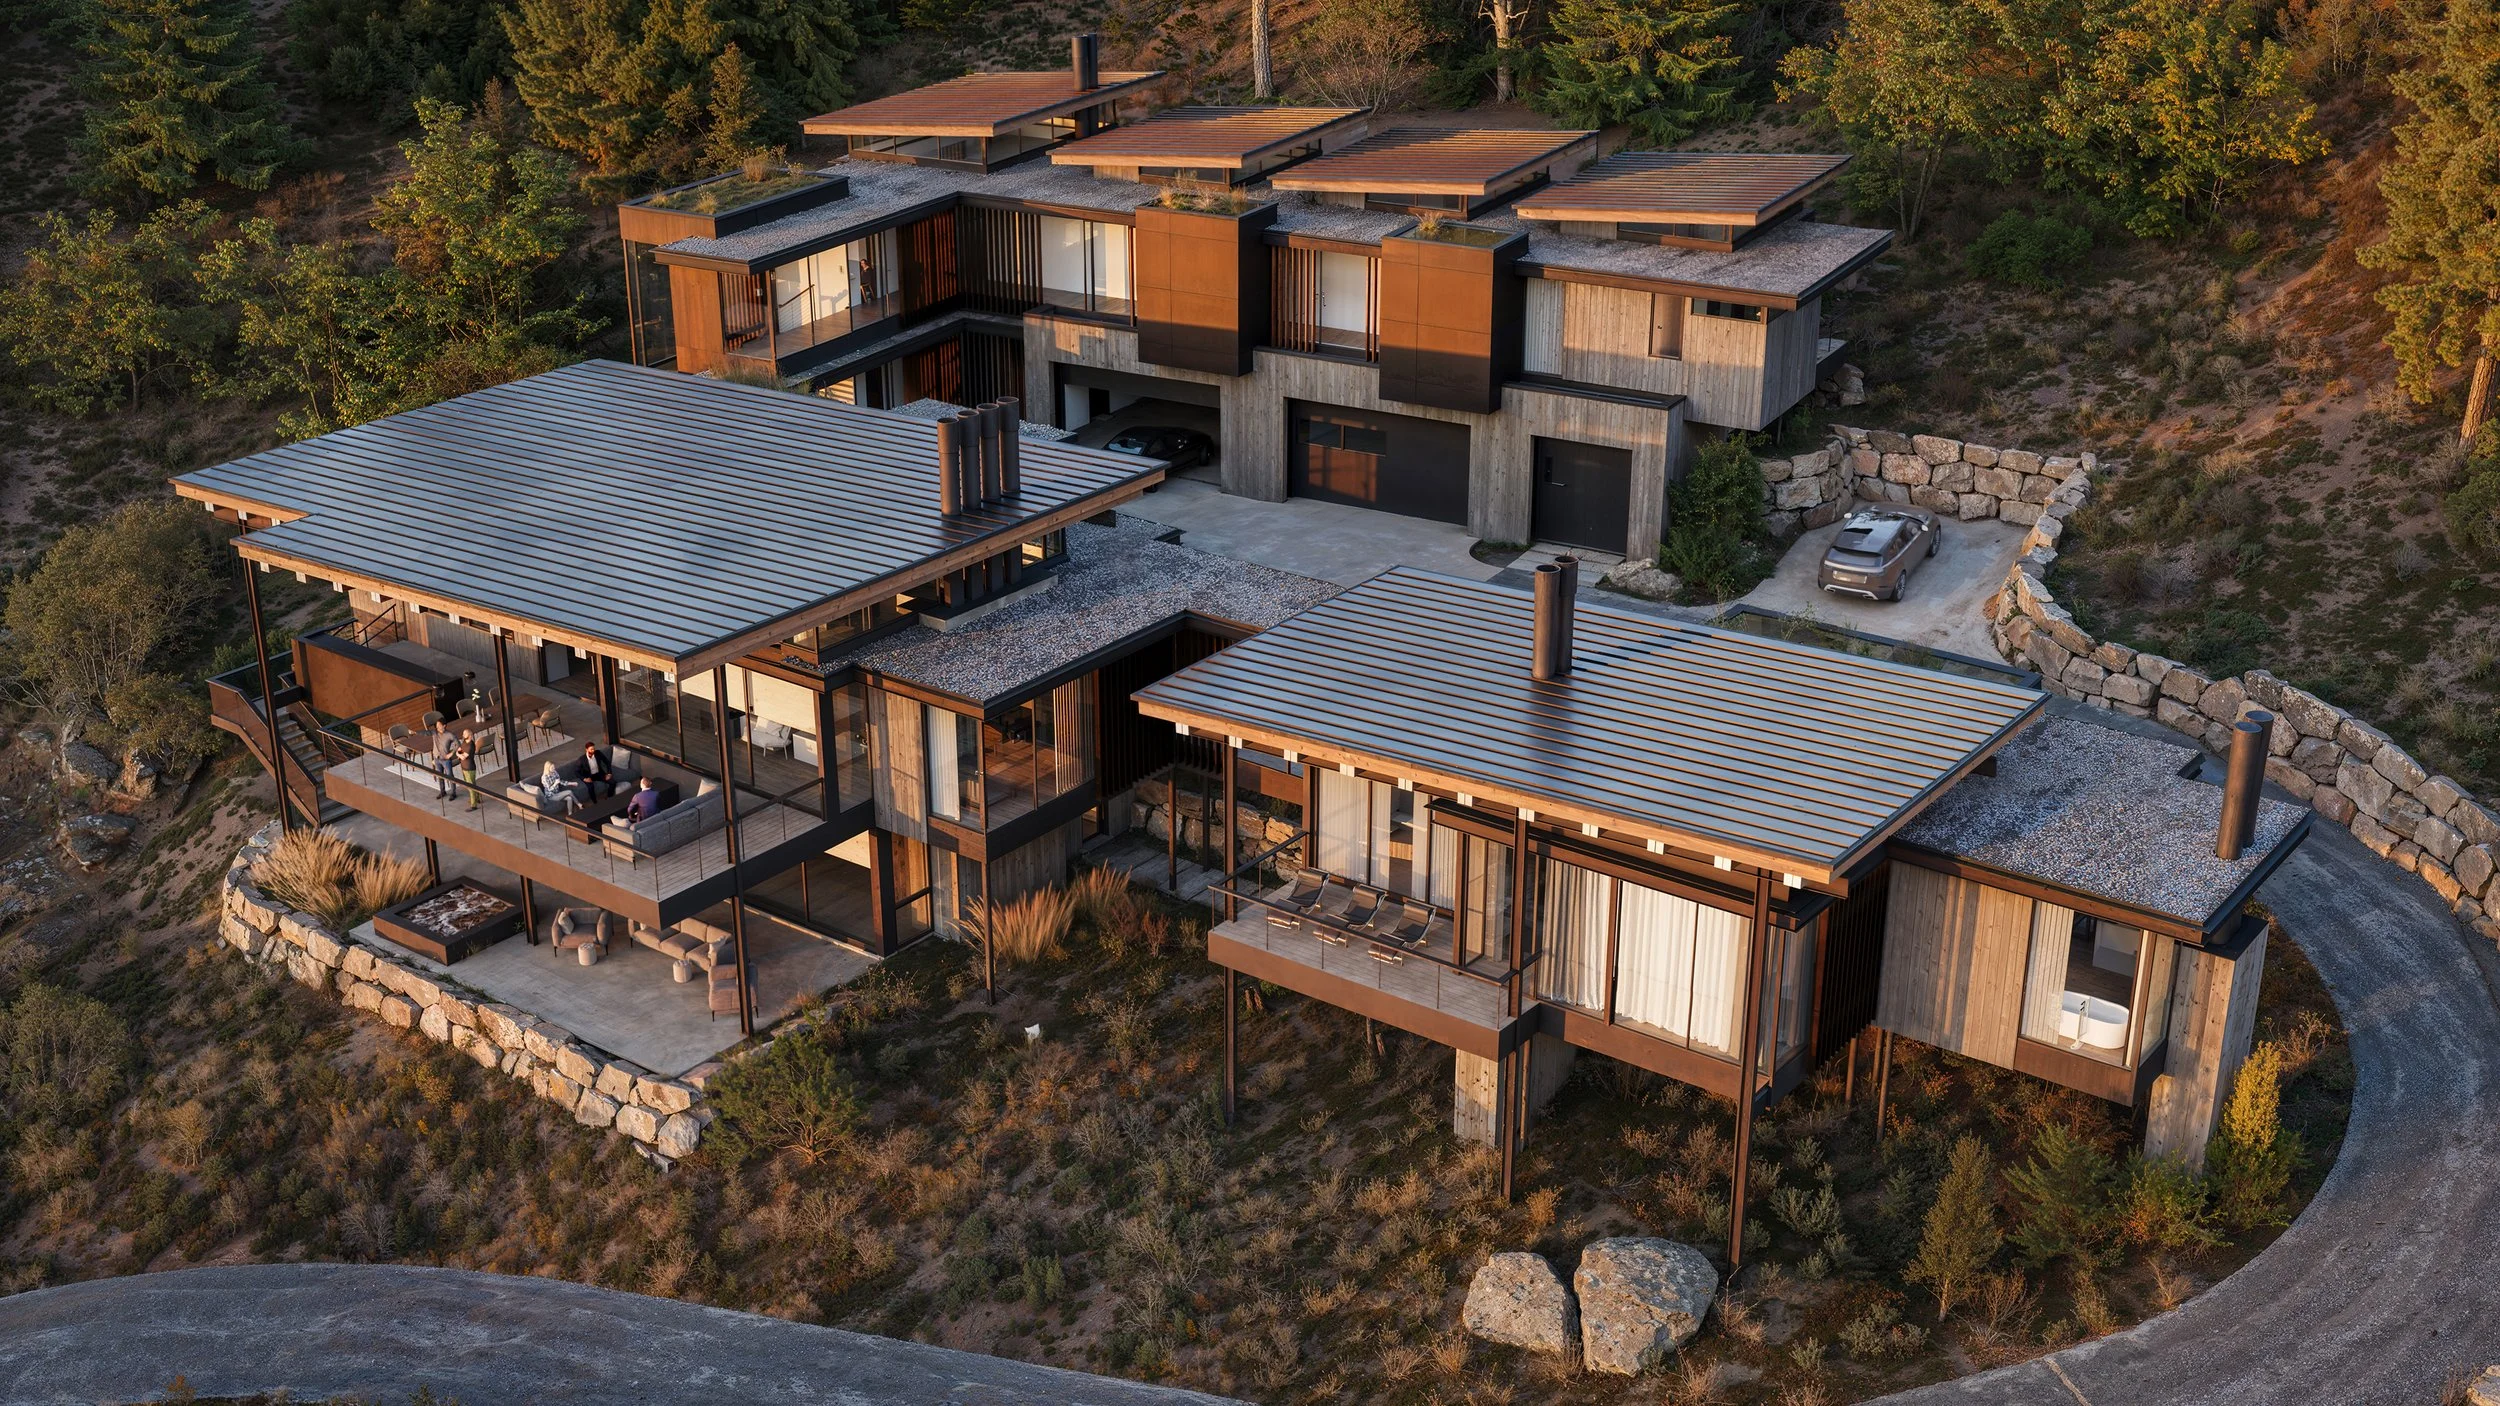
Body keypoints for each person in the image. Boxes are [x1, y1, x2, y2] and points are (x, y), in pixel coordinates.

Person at [452, 729, 480, 811]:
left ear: (470, 735)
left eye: (465, 734)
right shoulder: (464, 742)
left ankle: (473, 805)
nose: (463, 735)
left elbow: (463, 756)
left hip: (469, 768)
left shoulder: (471, 745)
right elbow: (459, 750)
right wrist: (459, 753)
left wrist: (459, 754)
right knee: (472, 784)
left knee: (471, 787)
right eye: (463, 733)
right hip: (464, 767)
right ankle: (476, 798)